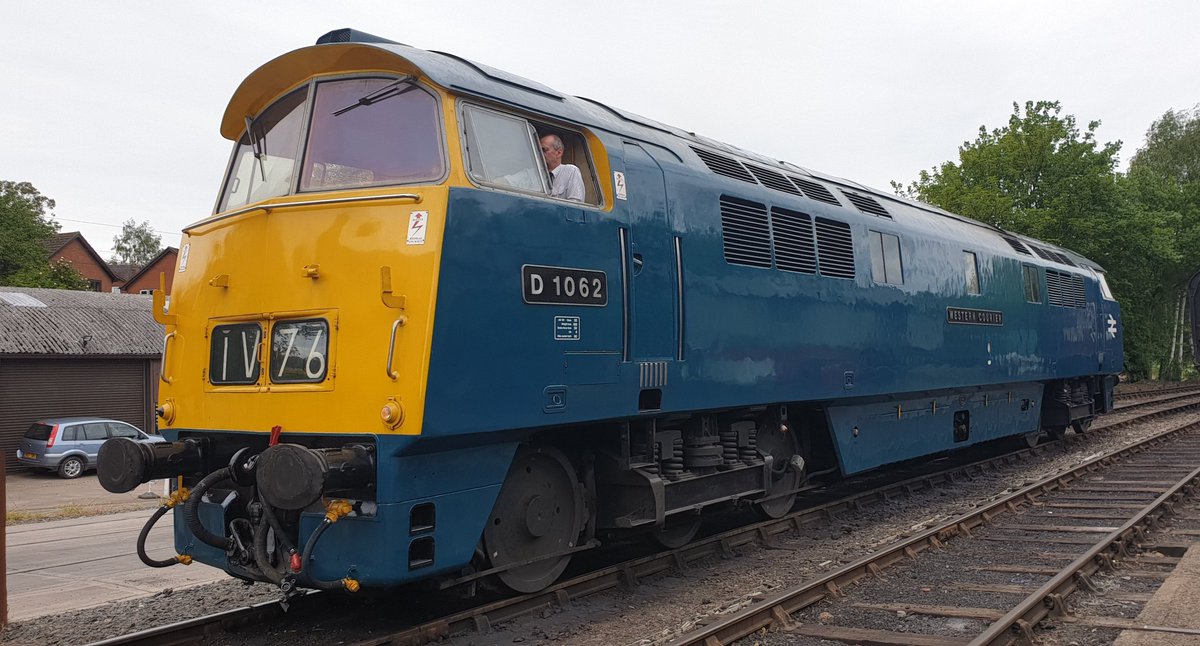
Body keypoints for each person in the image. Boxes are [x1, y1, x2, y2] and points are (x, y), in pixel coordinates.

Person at [539, 134, 585, 201]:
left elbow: (575, 204)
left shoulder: (571, 171)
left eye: (544, 150)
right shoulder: (533, 173)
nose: (540, 153)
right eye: (538, 150)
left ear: (559, 153)